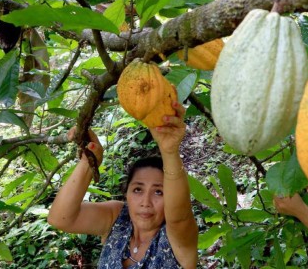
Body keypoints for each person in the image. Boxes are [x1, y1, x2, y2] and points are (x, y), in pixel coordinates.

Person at [48, 101, 198, 269]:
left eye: (158, 192)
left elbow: (179, 218)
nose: (145, 202)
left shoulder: (177, 240)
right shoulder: (118, 218)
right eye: (138, 190)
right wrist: (88, 162)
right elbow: (60, 218)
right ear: (127, 193)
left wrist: (169, 151)